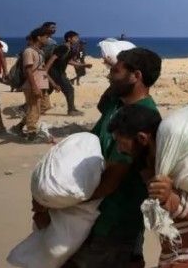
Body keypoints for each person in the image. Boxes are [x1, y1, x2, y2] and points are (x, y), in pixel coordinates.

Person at [61, 48, 161, 267]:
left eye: (115, 71)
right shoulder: (116, 104)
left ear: (136, 76)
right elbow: (103, 103)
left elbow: (111, 180)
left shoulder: (141, 118)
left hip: (113, 223)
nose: (109, 75)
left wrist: (61, 202)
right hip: (94, 217)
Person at [110, 103, 188, 268]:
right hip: (172, 257)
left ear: (142, 138)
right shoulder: (148, 166)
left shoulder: (185, 163)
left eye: (121, 142)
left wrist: (173, 199)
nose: (119, 149)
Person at [12, 27, 57, 140]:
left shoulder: (40, 52)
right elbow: (28, 71)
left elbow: (42, 70)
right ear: (39, 37)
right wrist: (34, 87)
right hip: (33, 85)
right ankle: (31, 134)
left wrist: (53, 83)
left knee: (44, 106)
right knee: (33, 108)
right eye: (46, 37)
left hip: (42, 85)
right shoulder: (29, 51)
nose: (48, 39)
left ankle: (20, 126)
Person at [44, 30, 91, 116]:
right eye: (75, 38)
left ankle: (30, 107)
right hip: (56, 72)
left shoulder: (70, 48)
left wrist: (83, 65)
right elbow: (52, 58)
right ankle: (71, 110)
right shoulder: (63, 47)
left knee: (48, 91)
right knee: (69, 89)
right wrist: (46, 71)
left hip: (59, 72)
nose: (77, 39)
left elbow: (68, 61)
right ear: (69, 39)